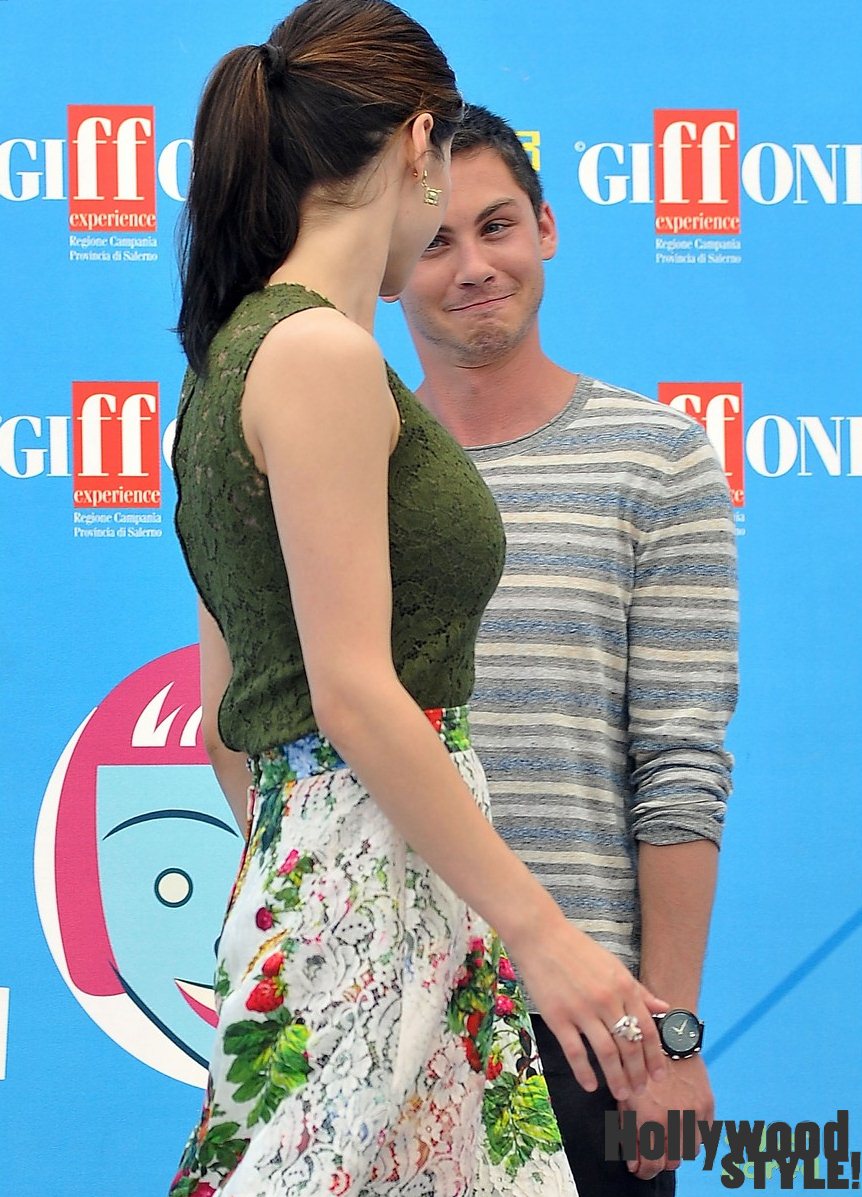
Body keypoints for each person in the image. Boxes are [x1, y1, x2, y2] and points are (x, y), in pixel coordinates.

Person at [167, 5, 670, 1196]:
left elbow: (226, 715)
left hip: (337, 867)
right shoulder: (321, 358)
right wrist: (545, 934)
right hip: (378, 871)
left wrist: (308, 869)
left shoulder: (221, 369)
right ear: (419, 144)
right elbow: (349, 692)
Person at [395, 104, 738, 1195]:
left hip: (595, 1030)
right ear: (388, 265)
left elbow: (680, 765)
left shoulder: (660, 458)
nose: (473, 266)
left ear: (546, 226)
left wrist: (669, 1038)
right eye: (436, 240)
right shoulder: (336, 464)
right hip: (386, 1007)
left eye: (495, 226)